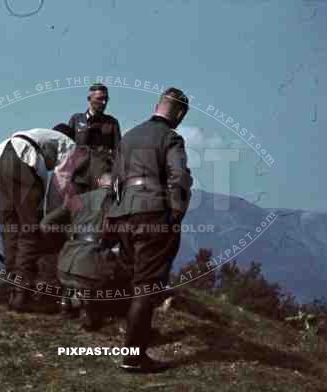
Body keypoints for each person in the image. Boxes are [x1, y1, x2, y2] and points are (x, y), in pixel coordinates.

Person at [107, 87, 193, 373]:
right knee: (146, 285)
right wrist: (176, 212)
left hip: (123, 214)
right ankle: (133, 357)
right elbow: (178, 176)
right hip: (153, 212)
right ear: (179, 113)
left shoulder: (129, 136)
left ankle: (131, 341)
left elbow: (115, 180)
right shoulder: (171, 137)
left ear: (158, 105)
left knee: (133, 279)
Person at [0, 127, 75, 312]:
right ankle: (22, 294)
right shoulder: (70, 145)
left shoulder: (42, 136)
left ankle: (11, 289)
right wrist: (51, 215)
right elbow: (60, 184)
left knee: (10, 230)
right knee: (28, 232)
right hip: (21, 160)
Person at [41, 172, 130, 331]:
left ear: (97, 182)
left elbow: (45, 224)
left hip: (63, 268)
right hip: (90, 273)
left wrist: (66, 242)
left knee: (83, 263)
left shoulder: (76, 199)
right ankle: (90, 307)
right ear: (117, 186)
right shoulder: (118, 204)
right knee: (123, 268)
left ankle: (66, 303)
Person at [68, 83, 121, 153]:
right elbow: (67, 147)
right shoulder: (76, 119)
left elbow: (118, 151)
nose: (104, 102)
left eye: (106, 99)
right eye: (100, 99)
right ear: (89, 99)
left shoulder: (112, 123)